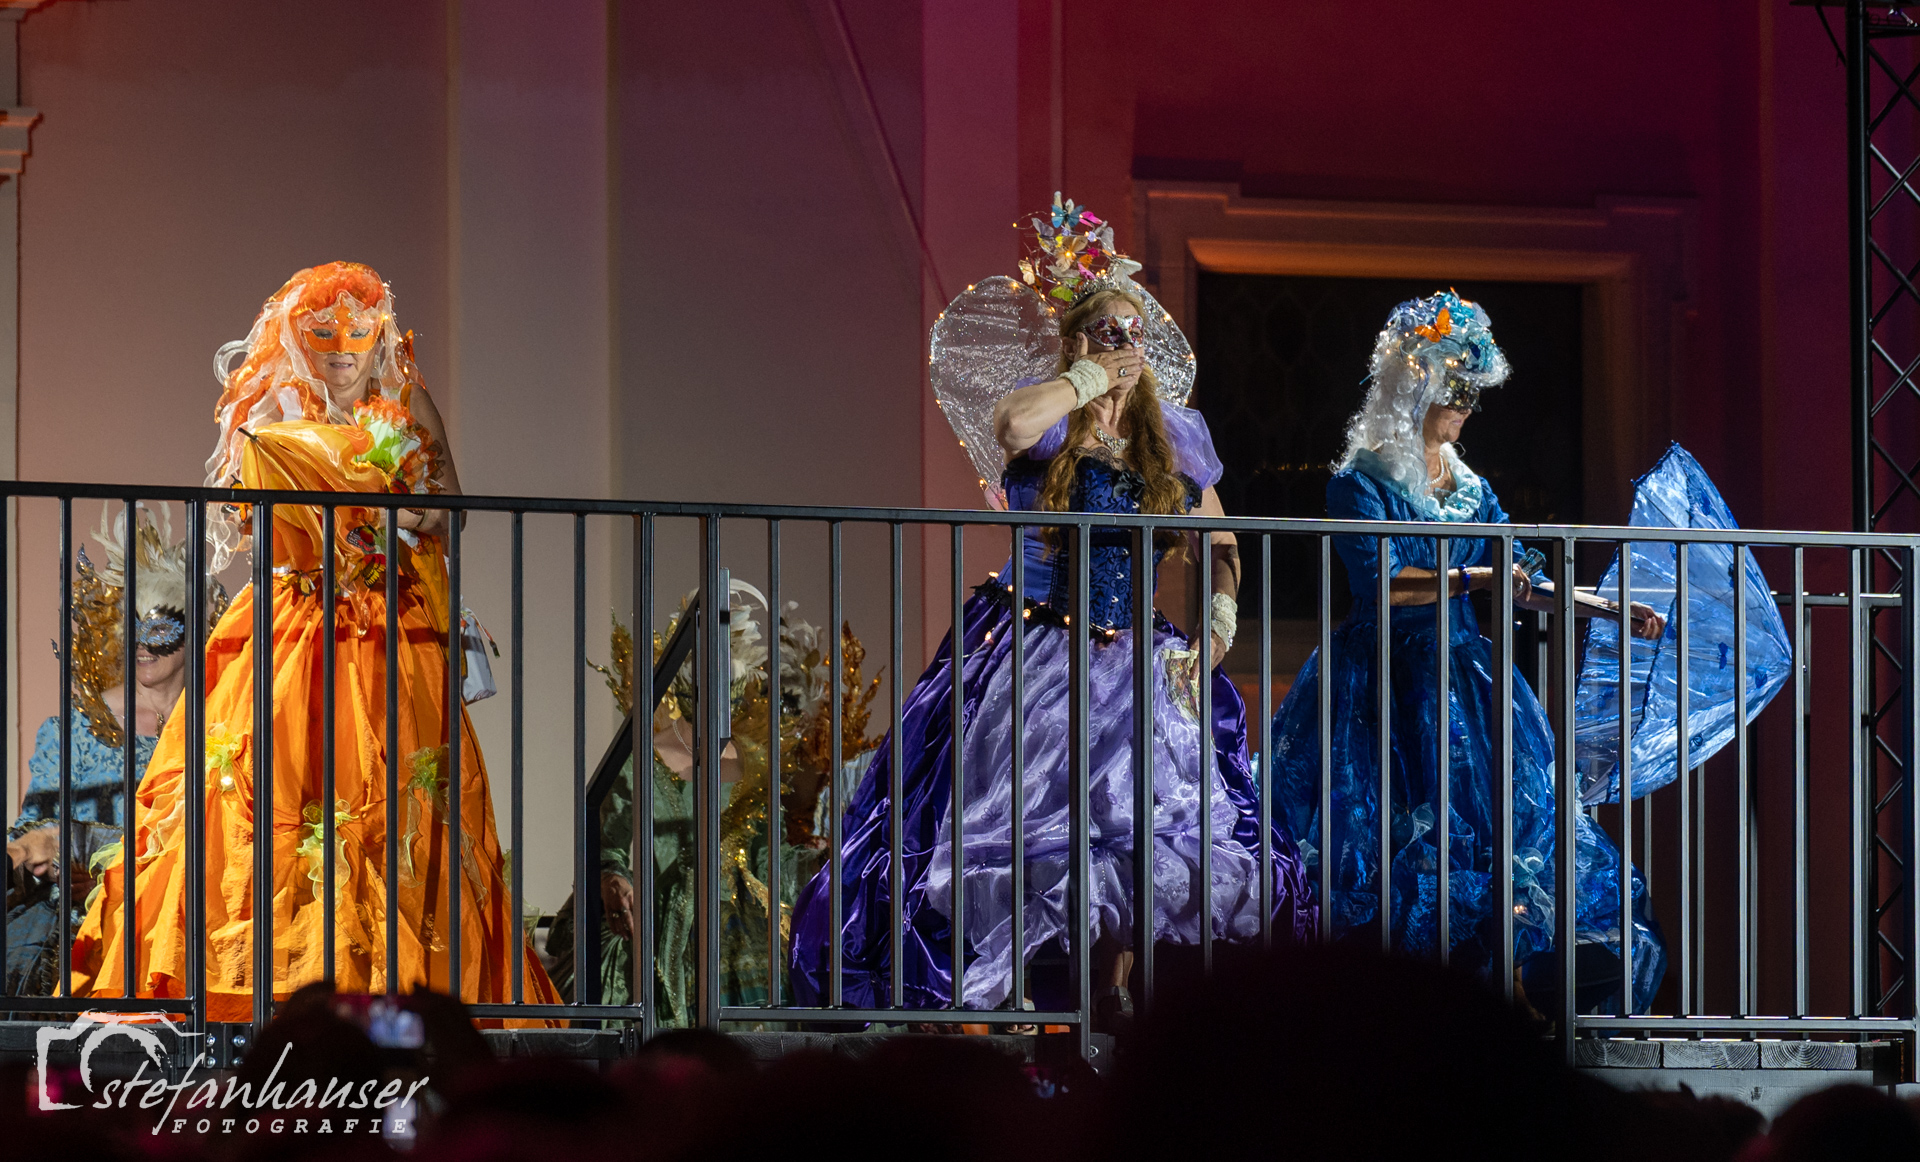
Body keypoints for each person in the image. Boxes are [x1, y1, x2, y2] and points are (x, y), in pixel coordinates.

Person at [790, 197, 1313, 1021]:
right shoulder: (1050, 420)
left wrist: (1219, 619)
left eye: (1134, 333)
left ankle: (1112, 994)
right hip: (1033, 640)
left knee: (1132, 821)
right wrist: (1084, 381)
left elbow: (1222, 540)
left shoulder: (1172, 437)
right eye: (1107, 332)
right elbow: (1008, 423)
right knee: (1025, 814)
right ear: (1077, 343)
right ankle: (1020, 997)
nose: (1126, 345)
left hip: (1134, 649)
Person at [69, 261, 559, 1017]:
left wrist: (395, 514)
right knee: (275, 785)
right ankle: (275, 982)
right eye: (324, 335)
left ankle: (395, 993)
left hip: (387, 625)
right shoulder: (275, 407)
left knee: (393, 792)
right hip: (295, 622)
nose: (341, 352)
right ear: (299, 338)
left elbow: (451, 510)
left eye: (356, 336)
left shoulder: (407, 401)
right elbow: (252, 523)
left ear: (378, 337)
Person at [1268, 290, 1666, 1012]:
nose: (1466, 408)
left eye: (1473, 394)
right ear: (1413, 389)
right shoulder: (1360, 485)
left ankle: (1501, 998)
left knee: (1492, 834)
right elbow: (1382, 586)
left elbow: (1522, 580)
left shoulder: (1471, 490)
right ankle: (1385, 1007)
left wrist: (1606, 607)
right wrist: (1473, 578)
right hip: (1382, 682)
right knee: (1387, 837)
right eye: (1456, 391)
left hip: (1461, 681)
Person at [5, 505, 191, 996]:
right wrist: (57, 859)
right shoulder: (73, 730)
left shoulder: (221, 727)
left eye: (159, 628)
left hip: (181, 932)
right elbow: (32, 831)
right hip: (80, 937)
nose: (141, 643)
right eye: (131, 625)